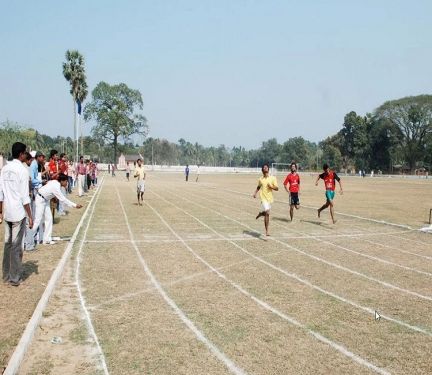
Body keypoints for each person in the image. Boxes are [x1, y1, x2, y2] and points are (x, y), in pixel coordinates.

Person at [0, 142, 33, 286]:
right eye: (25, 153)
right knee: (15, 245)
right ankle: (14, 277)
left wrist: (1, 211)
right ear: (21, 154)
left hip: (7, 211)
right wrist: (30, 216)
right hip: (18, 212)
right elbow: (25, 197)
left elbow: (0, 194)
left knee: (7, 244)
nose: (26, 155)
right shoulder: (23, 171)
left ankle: (6, 274)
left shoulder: (5, 168)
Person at [27, 174, 82, 246]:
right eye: (66, 181)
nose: (66, 183)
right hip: (40, 200)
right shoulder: (56, 187)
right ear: (62, 181)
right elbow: (63, 199)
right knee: (38, 220)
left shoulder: (55, 182)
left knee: (49, 219)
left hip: (45, 200)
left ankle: (47, 240)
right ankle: (28, 239)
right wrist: (75, 205)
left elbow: (47, 184)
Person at [253, 163, 278, 236]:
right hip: (263, 198)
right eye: (264, 168)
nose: (265, 168)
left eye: (266, 167)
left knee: (267, 214)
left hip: (270, 199)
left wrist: (271, 187)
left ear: (268, 169)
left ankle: (261, 214)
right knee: (267, 212)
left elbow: (277, 188)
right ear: (262, 170)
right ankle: (267, 231)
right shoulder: (260, 179)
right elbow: (259, 186)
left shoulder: (273, 178)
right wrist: (255, 193)